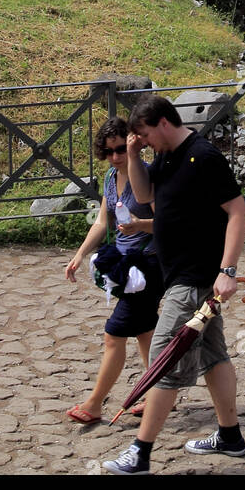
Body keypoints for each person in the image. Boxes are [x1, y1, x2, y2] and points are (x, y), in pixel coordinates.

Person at [102, 96, 245, 475]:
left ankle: (140, 452)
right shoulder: (166, 155)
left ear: (164, 122)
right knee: (214, 358)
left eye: (145, 134)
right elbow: (146, 198)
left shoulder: (204, 157)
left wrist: (228, 271)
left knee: (164, 360)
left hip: (195, 279)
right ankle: (230, 437)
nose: (143, 141)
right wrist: (135, 156)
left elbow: (238, 211)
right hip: (181, 276)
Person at [65, 117, 162, 425]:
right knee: (145, 334)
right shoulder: (110, 177)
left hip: (147, 265)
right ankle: (156, 396)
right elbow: (102, 223)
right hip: (123, 266)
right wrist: (80, 254)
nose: (116, 157)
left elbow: (167, 223)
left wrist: (139, 225)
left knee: (113, 334)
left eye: (121, 149)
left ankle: (94, 404)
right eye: (109, 152)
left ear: (135, 144)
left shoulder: (146, 177)